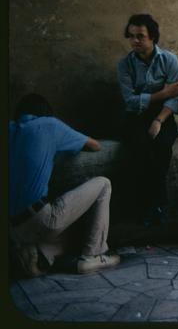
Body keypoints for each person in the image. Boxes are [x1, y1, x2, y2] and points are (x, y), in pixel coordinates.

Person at [9, 94, 120, 277]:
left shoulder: (9, 129)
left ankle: (39, 256)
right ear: (45, 113)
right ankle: (94, 255)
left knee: (68, 234)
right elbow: (95, 146)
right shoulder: (49, 125)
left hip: (12, 228)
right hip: (39, 218)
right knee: (103, 184)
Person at [117, 14, 178, 227]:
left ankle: (158, 207)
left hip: (163, 115)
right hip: (134, 118)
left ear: (152, 37)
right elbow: (130, 101)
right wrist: (161, 93)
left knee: (162, 151)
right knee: (141, 155)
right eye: (132, 36)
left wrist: (158, 120)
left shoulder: (169, 60)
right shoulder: (125, 65)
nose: (135, 41)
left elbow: (174, 99)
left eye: (141, 36)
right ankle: (145, 209)